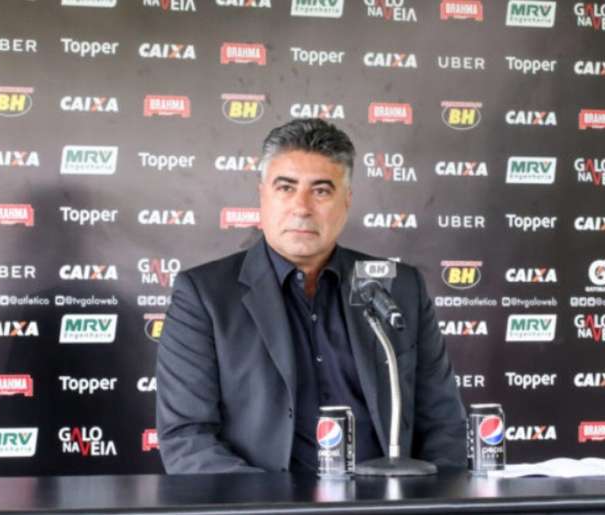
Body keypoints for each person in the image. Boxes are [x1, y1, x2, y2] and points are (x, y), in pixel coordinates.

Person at [156, 118, 466, 474]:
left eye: (321, 191)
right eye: (286, 188)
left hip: (384, 508)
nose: (301, 207)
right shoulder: (204, 295)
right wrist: (277, 511)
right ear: (262, 195)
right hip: (265, 511)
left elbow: (444, 423)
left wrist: (427, 502)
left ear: (347, 201)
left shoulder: (401, 288)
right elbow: (187, 437)